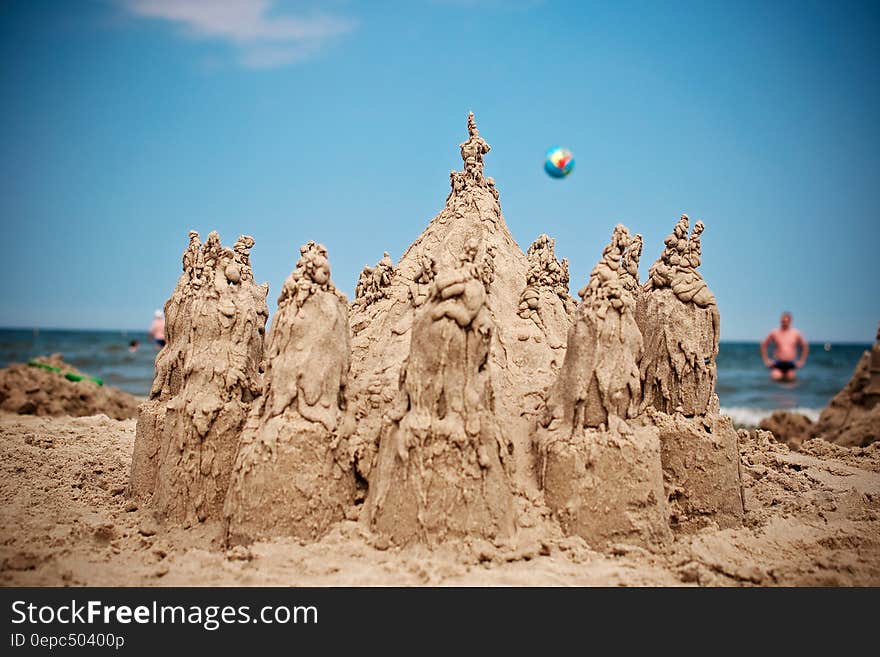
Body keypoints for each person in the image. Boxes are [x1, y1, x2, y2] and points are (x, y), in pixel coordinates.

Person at [760, 312, 809, 381]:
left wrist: (801, 361)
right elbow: (763, 344)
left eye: (786, 321)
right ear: (780, 321)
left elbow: (805, 346)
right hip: (778, 363)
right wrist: (766, 360)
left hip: (790, 363)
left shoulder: (795, 333)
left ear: (790, 321)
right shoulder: (775, 332)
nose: (784, 323)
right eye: (783, 321)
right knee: (775, 379)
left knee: (790, 383)